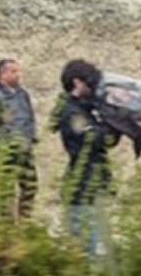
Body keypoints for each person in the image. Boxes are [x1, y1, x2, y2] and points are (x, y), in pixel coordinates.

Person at [50, 58, 120, 259]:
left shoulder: (86, 110)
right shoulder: (72, 114)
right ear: (77, 83)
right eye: (89, 82)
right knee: (84, 253)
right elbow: (94, 138)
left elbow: (107, 141)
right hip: (80, 189)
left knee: (93, 251)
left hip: (91, 187)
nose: (94, 86)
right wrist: (111, 123)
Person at [0, 58, 38, 221]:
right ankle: (7, 227)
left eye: (18, 71)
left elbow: (29, 117)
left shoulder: (22, 94)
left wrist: (30, 137)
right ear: (3, 74)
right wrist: (5, 145)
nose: (18, 75)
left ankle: (24, 221)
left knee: (30, 186)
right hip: (7, 150)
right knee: (7, 190)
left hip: (25, 148)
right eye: (14, 71)